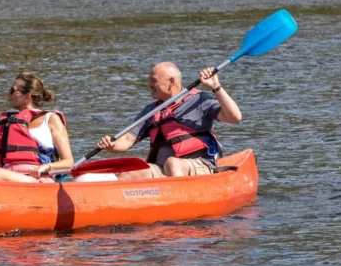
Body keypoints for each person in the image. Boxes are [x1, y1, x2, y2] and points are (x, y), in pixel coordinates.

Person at [96, 62, 242, 180]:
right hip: (162, 170)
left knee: (172, 163)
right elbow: (127, 139)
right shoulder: (151, 110)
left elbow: (235, 118)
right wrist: (112, 145)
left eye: (154, 81)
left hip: (200, 166)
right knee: (128, 173)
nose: (149, 85)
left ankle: (183, 207)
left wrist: (216, 88)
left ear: (171, 81)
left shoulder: (200, 100)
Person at [0, 72, 73, 182]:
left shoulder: (51, 119)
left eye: (13, 90)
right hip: (6, 176)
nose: (8, 94)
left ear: (28, 96)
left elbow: (68, 162)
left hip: (37, 180)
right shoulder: (10, 125)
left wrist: (46, 167)